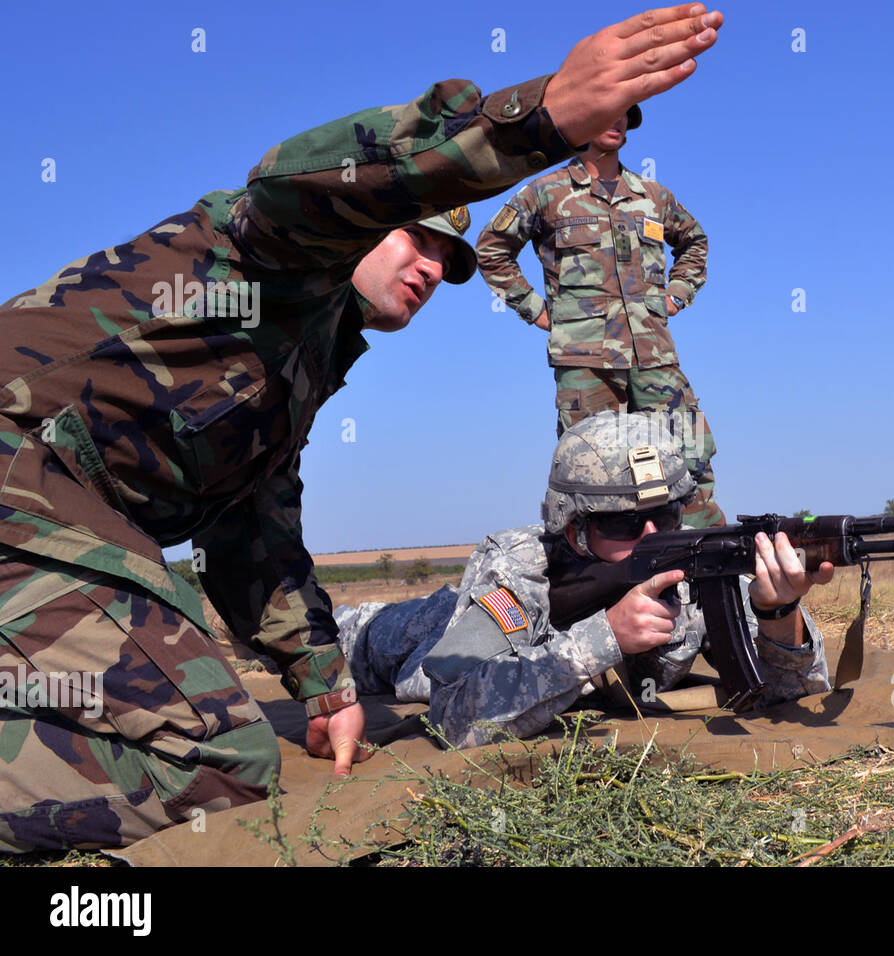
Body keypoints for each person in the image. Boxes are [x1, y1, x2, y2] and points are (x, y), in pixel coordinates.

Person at [0, 5, 726, 853]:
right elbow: (303, 179)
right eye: (416, 240)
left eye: (449, 266)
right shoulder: (268, 252)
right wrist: (535, 121)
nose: (431, 270)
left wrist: (321, 684)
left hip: (55, 512)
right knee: (217, 755)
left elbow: (252, 533)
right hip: (25, 477)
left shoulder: (307, 360)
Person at [336, 411, 832, 750]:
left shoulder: (697, 564)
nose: (652, 535)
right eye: (622, 523)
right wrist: (606, 638)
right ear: (573, 528)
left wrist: (777, 615)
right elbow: (452, 717)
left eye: (666, 513)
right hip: (422, 633)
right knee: (356, 637)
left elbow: (800, 688)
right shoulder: (518, 570)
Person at [475, 106, 724, 529]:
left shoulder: (652, 195)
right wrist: (533, 309)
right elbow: (491, 249)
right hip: (584, 359)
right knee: (593, 468)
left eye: (626, 113)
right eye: (608, 110)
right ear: (582, 120)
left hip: (654, 353)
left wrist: (676, 295)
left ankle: (703, 558)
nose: (618, 120)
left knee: (689, 451)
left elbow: (695, 241)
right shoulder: (546, 192)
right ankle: (602, 573)